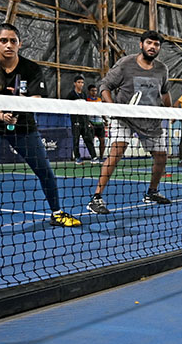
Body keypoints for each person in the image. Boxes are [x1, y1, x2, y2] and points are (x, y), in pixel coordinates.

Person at [0, 22, 81, 240]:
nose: (8, 45)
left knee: (44, 169)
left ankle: (57, 212)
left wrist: (19, 104)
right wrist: (2, 115)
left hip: (23, 124)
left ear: (20, 44)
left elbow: (36, 99)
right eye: (3, 40)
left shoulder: (31, 69)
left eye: (13, 41)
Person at [87, 30, 172, 214]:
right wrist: (112, 108)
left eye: (156, 44)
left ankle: (152, 192)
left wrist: (169, 111)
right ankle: (96, 198)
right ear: (141, 45)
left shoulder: (162, 69)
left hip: (150, 120)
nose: (152, 47)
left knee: (161, 157)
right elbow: (105, 86)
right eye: (149, 43)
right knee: (116, 151)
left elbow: (164, 92)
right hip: (124, 117)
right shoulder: (126, 64)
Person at [66, 75, 100, 165]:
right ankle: (77, 157)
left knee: (88, 139)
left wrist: (88, 121)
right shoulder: (71, 95)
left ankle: (94, 157)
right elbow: (68, 107)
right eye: (79, 82)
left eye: (82, 82)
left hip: (84, 121)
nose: (81, 84)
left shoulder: (84, 94)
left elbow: (86, 108)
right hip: (75, 121)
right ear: (75, 83)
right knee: (76, 140)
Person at [85, 84, 107, 157]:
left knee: (102, 141)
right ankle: (93, 157)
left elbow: (102, 111)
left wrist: (105, 120)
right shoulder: (87, 101)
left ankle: (101, 157)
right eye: (92, 91)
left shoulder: (99, 100)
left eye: (95, 91)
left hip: (100, 123)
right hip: (91, 123)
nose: (94, 92)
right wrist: (88, 122)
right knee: (91, 142)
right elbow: (85, 113)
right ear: (89, 91)